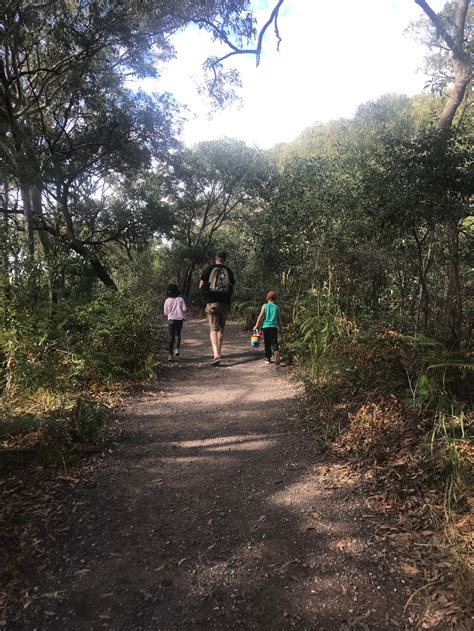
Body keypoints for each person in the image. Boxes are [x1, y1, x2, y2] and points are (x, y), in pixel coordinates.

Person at [199, 251, 235, 366]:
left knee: (213, 329)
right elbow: (232, 288)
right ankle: (219, 351)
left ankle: (216, 354)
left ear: (216, 258)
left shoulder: (209, 268)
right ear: (225, 259)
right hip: (225, 303)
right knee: (221, 329)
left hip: (212, 302)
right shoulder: (228, 271)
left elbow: (200, 285)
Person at [254, 290, 282, 365]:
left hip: (266, 327)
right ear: (275, 298)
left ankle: (268, 358)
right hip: (274, 327)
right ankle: (276, 352)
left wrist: (256, 325)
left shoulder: (265, 306)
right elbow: (279, 319)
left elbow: (260, 316)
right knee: (274, 342)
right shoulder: (277, 307)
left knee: (267, 343)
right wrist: (281, 329)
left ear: (267, 298)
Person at [163, 283, 187, 362]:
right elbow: (184, 309)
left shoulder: (167, 300)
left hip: (171, 320)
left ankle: (170, 355)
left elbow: (165, 313)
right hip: (180, 319)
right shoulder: (180, 299)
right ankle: (177, 349)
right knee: (177, 334)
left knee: (171, 337)